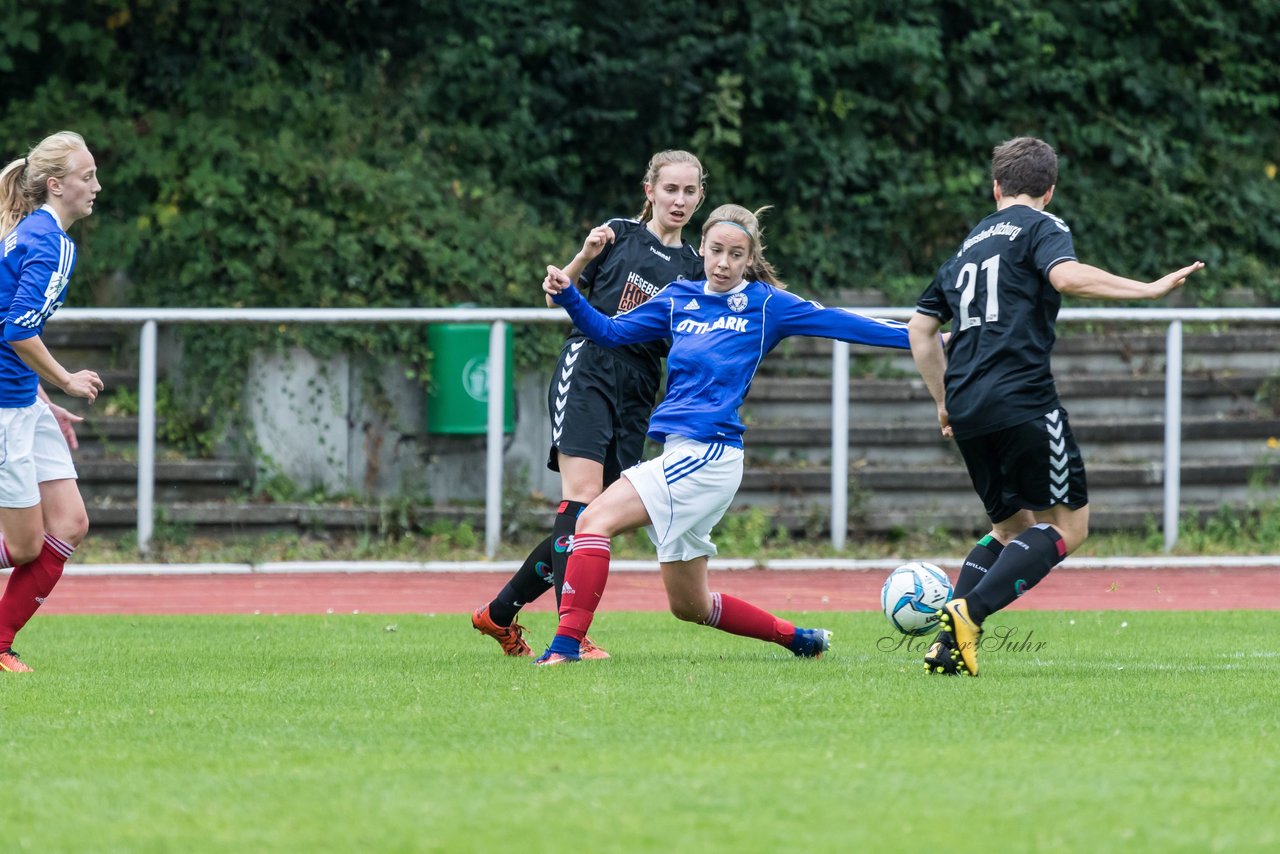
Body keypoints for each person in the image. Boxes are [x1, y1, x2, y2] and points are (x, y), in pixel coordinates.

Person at [534, 203, 913, 665]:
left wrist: (930, 338)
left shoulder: (767, 304)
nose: (723, 263)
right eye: (716, 251)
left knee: (592, 520)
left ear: (750, 258)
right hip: (685, 453)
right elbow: (612, 332)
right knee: (690, 606)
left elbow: (845, 323)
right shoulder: (679, 297)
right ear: (704, 248)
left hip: (710, 455)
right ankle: (800, 639)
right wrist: (572, 295)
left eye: (736, 255)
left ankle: (564, 648)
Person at [907, 136, 1204, 677]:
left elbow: (921, 329)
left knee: (1008, 529)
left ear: (996, 186)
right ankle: (968, 613)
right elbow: (1064, 275)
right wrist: (1148, 289)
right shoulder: (1044, 226)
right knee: (1069, 526)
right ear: (1049, 189)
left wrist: (944, 402)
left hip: (969, 404)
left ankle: (948, 648)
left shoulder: (968, 247)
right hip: (1021, 398)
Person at [471, 150, 706, 657]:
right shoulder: (617, 233)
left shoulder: (696, 267)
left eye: (690, 191)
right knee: (580, 502)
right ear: (650, 191)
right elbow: (557, 294)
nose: (679, 200)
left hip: (641, 384)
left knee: (595, 516)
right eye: (670, 189)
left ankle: (497, 614)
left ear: (700, 196)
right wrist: (581, 255)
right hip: (591, 365)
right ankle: (570, 634)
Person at [0, 131, 105, 672]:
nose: (97, 186)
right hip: (3, 406)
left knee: (68, 524)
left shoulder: (33, 232)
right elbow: (17, 329)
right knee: (22, 547)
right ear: (55, 184)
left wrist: (42, 397)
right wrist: (64, 379)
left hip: (21, 399)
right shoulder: (49, 242)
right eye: (87, 177)